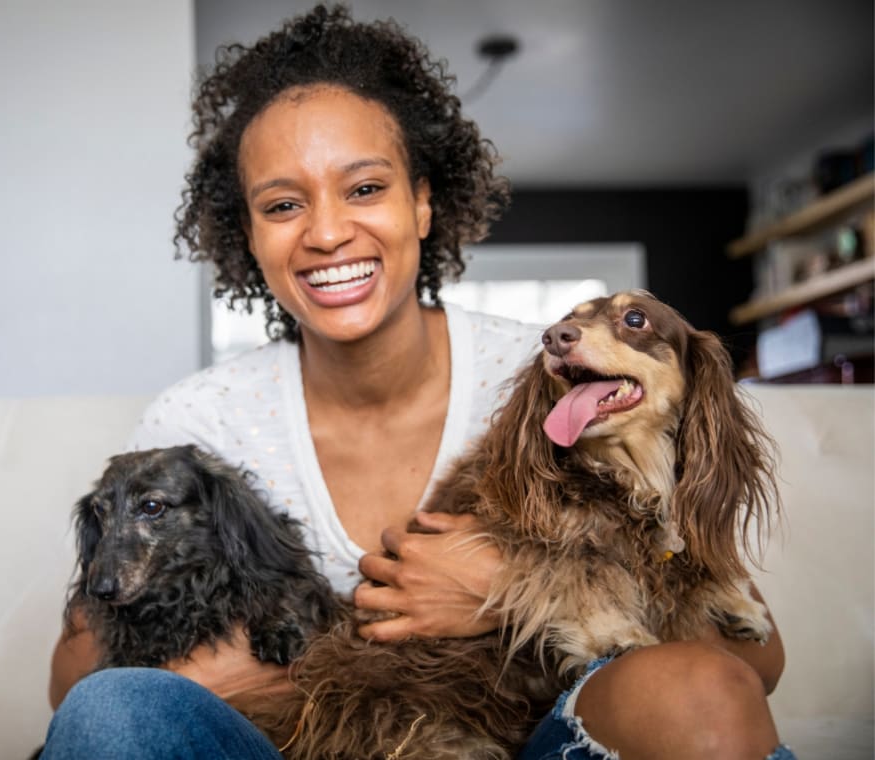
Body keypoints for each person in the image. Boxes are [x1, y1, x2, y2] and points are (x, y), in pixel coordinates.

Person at [42, 5, 791, 759]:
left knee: (699, 688)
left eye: (364, 189)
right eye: (282, 204)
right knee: (112, 709)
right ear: (247, 234)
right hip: (295, 743)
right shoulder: (202, 424)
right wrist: (229, 677)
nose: (327, 233)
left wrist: (512, 591)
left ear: (423, 202)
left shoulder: (552, 379)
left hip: (535, 736)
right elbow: (76, 689)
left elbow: (756, 658)